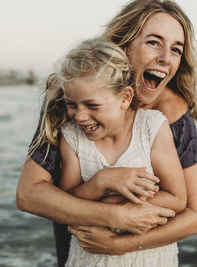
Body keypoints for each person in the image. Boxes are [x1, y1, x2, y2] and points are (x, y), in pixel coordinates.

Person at [16, 0, 197, 266]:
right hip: (83, 253)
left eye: (176, 49)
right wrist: (114, 215)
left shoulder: (171, 118)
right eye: (153, 42)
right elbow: (29, 194)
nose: (165, 58)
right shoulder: (75, 103)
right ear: (125, 42)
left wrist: (120, 244)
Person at [53, 38, 186, 266]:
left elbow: (177, 198)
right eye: (72, 105)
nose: (79, 116)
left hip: (148, 258)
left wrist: (117, 207)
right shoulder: (72, 136)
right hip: (89, 258)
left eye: (92, 105)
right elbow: (68, 203)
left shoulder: (150, 128)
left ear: (124, 98)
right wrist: (102, 181)